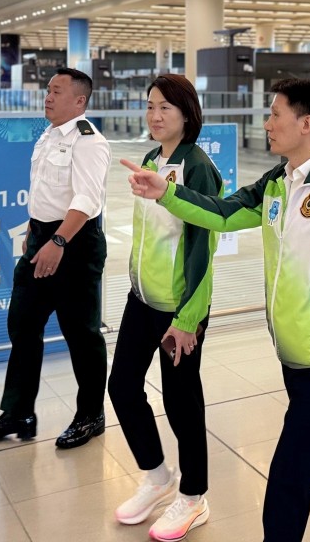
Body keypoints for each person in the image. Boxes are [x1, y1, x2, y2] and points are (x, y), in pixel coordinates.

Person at [123, 78, 310, 542]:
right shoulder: (279, 181)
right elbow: (223, 213)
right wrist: (166, 194)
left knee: (287, 486)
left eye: (275, 115)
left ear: (306, 123)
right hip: (295, 357)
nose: (267, 124)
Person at [108, 74, 222, 541]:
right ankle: (157, 477)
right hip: (142, 299)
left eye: (165, 108)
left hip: (180, 309)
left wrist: (188, 317)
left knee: (181, 402)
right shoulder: (153, 159)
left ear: (187, 114)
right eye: (150, 106)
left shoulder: (198, 168)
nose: (155, 116)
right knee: (121, 386)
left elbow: (202, 247)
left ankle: (194, 496)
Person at [0, 68, 111, 449]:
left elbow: (87, 199)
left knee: (81, 335)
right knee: (22, 326)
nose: (48, 97)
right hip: (42, 240)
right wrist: (34, 232)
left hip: (74, 245)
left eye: (57, 91)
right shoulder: (49, 135)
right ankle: (18, 412)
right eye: (48, 90)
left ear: (79, 101)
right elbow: (45, 193)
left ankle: (91, 415)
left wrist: (58, 240)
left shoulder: (89, 141)